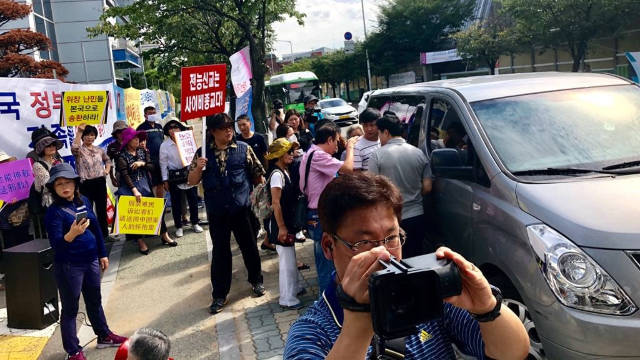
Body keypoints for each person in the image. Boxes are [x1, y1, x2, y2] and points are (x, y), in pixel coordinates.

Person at [283, 172, 530, 360]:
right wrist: (359, 319)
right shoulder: (312, 331)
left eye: (391, 238)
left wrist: (487, 307)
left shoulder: (427, 295)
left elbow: (513, 353)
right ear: (328, 246)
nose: (383, 255)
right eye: (364, 242)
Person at [45, 163, 127, 360]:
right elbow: (56, 244)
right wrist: (71, 234)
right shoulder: (53, 212)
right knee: (71, 308)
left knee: (94, 300)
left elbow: (97, 229)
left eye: (68, 182)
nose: (64, 187)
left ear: (75, 183)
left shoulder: (85, 201)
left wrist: (102, 253)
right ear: (53, 189)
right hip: (69, 265)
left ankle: (104, 335)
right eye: (59, 184)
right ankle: (73, 351)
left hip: (91, 260)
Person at [188, 113, 266, 314]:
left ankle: (256, 281)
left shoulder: (243, 149)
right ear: (213, 131)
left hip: (241, 211)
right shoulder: (202, 153)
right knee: (221, 254)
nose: (229, 130)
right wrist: (198, 168)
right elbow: (192, 181)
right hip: (217, 213)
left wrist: (261, 202)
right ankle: (219, 295)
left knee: (249, 247)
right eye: (224, 128)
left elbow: (258, 175)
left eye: (230, 127)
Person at [299, 122, 359, 293]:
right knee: (327, 262)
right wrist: (350, 147)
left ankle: (327, 299)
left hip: (315, 214)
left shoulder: (310, 153)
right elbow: (347, 169)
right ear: (330, 139)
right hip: (320, 214)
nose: (337, 147)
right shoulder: (318, 155)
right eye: (337, 142)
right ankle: (328, 304)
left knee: (323, 258)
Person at [368, 112, 433, 258]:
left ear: (386, 132)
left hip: (391, 219)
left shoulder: (377, 155)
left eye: (379, 134)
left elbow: (371, 189)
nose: (379, 139)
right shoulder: (419, 154)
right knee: (416, 256)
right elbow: (428, 187)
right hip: (417, 215)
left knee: (395, 260)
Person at [116, 128, 176, 255]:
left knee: (155, 211)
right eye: (134, 138)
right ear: (128, 141)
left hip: (145, 185)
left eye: (138, 138)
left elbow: (152, 166)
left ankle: (164, 235)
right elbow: (124, 175)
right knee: (135, 217)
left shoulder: (142, 151)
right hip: (130, 188)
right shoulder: (121, 156)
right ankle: (140, 242)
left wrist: (142, 163)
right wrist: (134, 190)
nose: (138, 140)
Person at [264, 138, 306, 310]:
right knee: (287, 263)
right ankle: (287, 298)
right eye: (288, 152)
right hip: (281, 225)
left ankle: (294, 289)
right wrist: (281, 227)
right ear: (279, 155)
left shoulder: (283, 171)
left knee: (290, 258)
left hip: (286, 224)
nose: (292, 154)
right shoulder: (276, 175)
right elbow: (276, 203)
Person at [159, 119, 203, 238]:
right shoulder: (164, 145)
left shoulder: (187, 140)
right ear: (167, 131)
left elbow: (196, 156)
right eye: (170, 128)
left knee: (193, 200)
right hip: (175, 177)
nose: (173, 130)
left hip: (190, 174)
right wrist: (165, 180)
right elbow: (163, 164)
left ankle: (195, 222)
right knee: (176, 203)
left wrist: (197, 172)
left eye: (176, 127)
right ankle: (179, 226)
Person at [72, 124, 112, 239]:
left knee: (101, 210)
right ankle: (91, 235)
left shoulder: (99, 150)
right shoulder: (79, 151)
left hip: (99, 183)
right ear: (83, 137)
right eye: (87, 135)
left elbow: (107, 160)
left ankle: (105, 234)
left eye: (92, 135)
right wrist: (79, 132)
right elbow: (74, 147)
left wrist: (107, 170)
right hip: (85, 184)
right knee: (87, 211)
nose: (90, 137)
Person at [0, 150, 31, 251]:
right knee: (11, 244)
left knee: (24, 241)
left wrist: (18, 197)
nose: (3, 164)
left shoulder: (18, 173)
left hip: (21, 215)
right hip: (4, 219)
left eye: (5, 161)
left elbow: (28, 190)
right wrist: (4, 200)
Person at [137, 106, 165, 198]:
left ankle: (160, 206)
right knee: (151, 184)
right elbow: (138, 144)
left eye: (154, 113)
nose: (153, 115)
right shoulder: (141, 128)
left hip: (160, 159)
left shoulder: (159, 127)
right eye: (150, 113)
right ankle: (153, 205)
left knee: (161, 183)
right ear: (145, 115)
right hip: (148, 160)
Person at [107, 120, 129, 187]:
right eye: (119, 132)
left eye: (124, 131)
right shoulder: (111, 146)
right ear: (115, 133)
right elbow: (109, 162)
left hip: (135, 173)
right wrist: (112, 177)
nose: (122, 133)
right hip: (120, 174)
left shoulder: (131, 142)